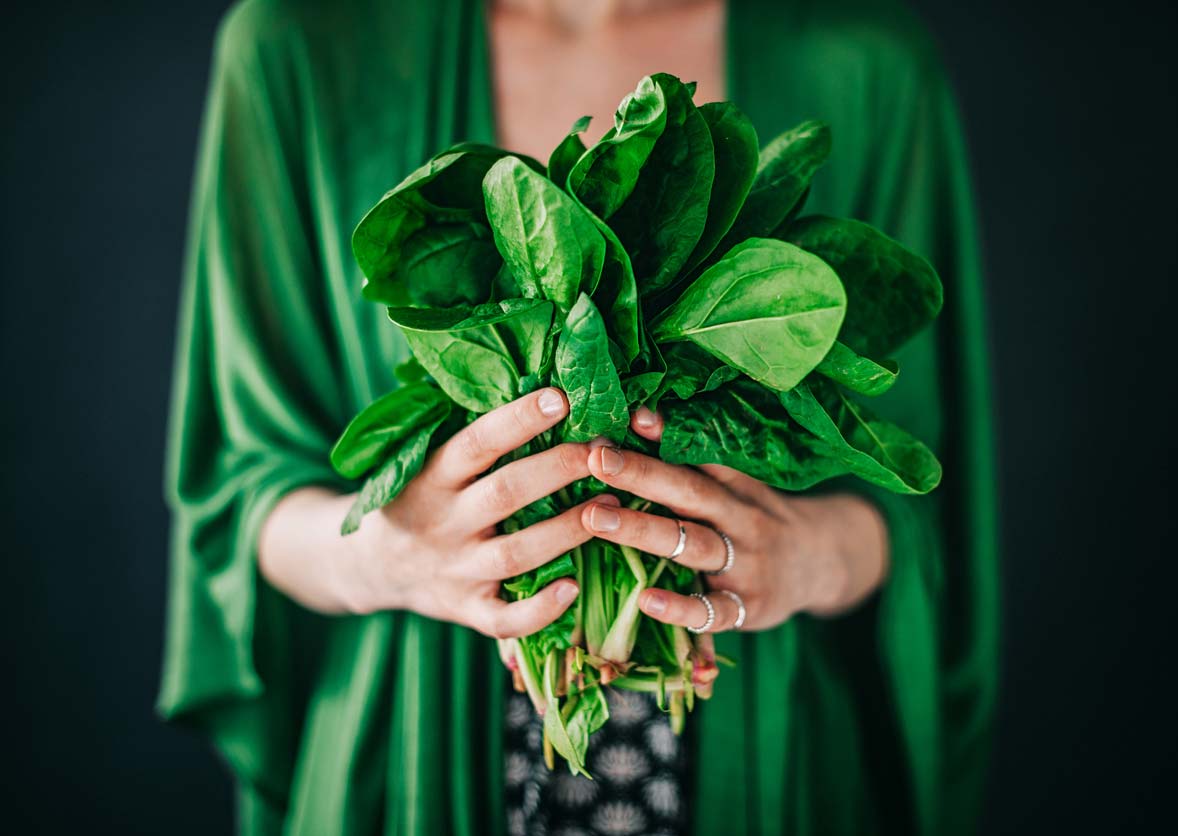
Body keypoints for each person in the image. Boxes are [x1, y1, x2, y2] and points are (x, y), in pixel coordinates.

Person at [158, 1, 998, 834]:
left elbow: (919, 493)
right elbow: (242, 491)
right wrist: (389, 557)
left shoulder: (866, 63)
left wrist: (807, 557)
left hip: (772, 760)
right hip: (410, 761)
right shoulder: (295, 46)